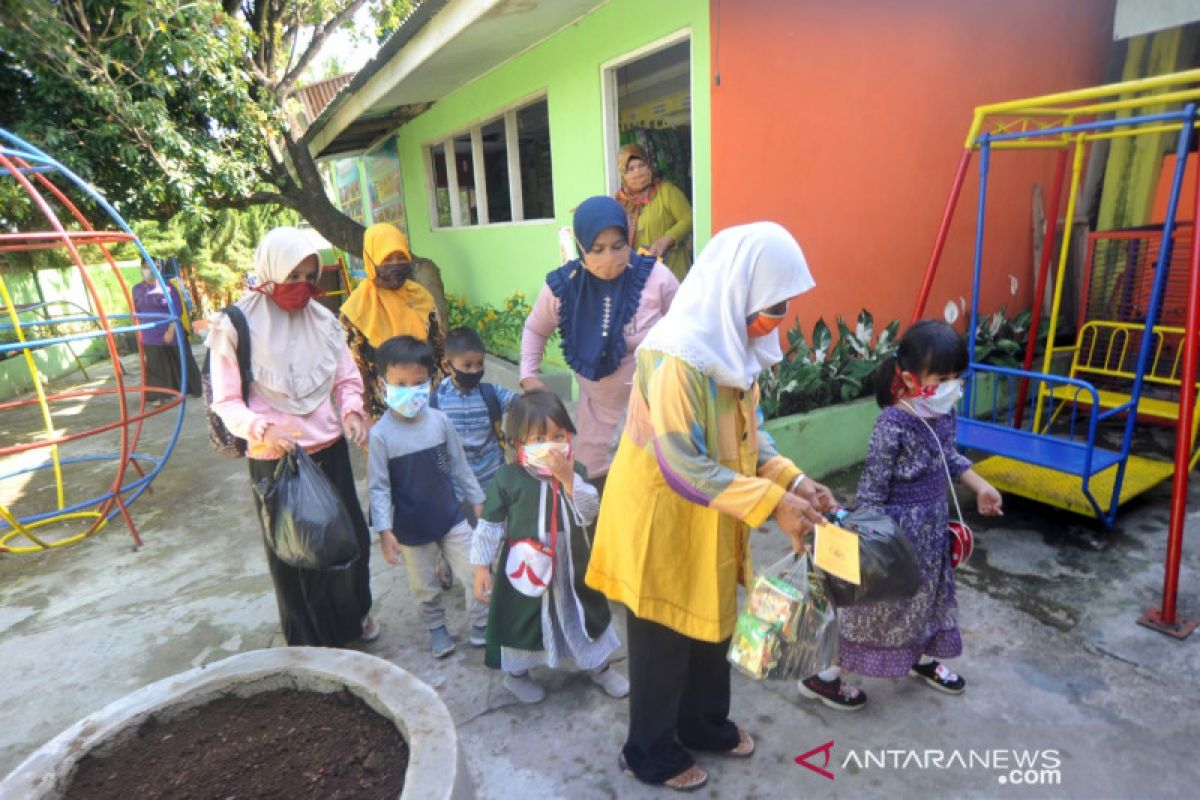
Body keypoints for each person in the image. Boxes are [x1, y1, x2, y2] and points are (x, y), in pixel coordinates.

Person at [584, 222, 837, 791]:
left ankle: (703, 724)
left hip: (715, 511)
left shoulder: (732, 349)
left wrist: (795, 480)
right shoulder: (676, 359)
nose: (778, 317)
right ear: (739, 289)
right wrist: (775, 505)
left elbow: (752, 437)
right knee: (663, 641)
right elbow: (684, 466)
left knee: (712, 625)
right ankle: (648, 752)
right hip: (663, 519)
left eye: (783, 305)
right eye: (773, 304)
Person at [799, 320, 1003, 710]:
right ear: (909, 379)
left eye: (957, 377)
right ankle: (825, 677)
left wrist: (980, 485)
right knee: (872, 609)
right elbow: (872, 492)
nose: (952, 386)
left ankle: (922, 660)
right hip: (893, 540)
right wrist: (866, 549)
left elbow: (950, 457)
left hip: (932, 535)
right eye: (942, 377)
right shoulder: (891, 426)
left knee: (926, 599)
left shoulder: (942, 415)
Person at [207, 227, 375, 647]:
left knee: (348, 541)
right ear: (268, 271)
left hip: (330, 451)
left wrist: (352, 411)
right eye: (291, 276)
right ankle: (308, 644)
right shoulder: (235, 326)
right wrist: (263, 429)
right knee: (294, 555)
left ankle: (354, 623)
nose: (301, 287)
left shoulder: (323, 321)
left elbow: (347, 378)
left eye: (308, 276)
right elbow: (226, 402)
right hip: (274, 461)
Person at [469, 391, 629, 704]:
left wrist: (569, 480)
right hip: (526, 570)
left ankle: (601, 667)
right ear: (519, 444)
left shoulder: (577, 472)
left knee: (587, 614)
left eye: (558, 435)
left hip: (573, 566)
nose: (551, 444)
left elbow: (589, 512)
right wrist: (481, 567)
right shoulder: (507, 479)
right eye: (539, 437)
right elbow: (490, 525)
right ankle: (516, 676)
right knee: (523, 622)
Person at [521, 196, 679, 493]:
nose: (610, 257)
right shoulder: (563, 286)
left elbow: (688, 329)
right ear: (581, 247)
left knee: (652, 495)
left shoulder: (655, 278)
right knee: (598, 496)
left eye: (618, 246)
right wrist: (529, 375)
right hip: (596, 421)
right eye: (598, 250)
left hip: (656, 416)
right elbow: (535, 329)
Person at [368, 335, 488, 659]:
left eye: (418, 383)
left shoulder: (440, 421)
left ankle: (481, 624)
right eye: (400, 383)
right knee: (424, 585)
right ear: (383, 385)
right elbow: (379, 487)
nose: (411, 390)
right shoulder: (380, 436)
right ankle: (437, 628)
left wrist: (477, 499)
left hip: (451, 516)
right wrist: (384, 530)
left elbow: (460, 465)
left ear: (431, 381)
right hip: (411, 527)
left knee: (476, 568)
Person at [341, 222, 443, 419]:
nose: (395, 265)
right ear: (371, 260)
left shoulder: (421, 296)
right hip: (384, 414)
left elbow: (439, 349)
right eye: (386, 259)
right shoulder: (356, 309)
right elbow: (354, 371)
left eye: (401, 258)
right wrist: (364, 417)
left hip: (429, 404)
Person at [434, 326, 518, 524]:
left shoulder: (491, 394)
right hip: (456, 491)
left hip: (493, 484)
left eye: (479, 364)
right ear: (448, 366)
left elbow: (521, 404)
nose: (475, 370)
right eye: (468, 365)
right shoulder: (435, 402)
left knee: (493, 536)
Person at [614, 143, 693, 281]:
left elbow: (689, 219)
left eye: (641, 165)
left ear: (649, 167)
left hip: (672, 273)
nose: (637, 172)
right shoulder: (621, 201)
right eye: (630, 169)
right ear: (623, 174)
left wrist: (666, 240)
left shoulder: (666, 191)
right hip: (641, 277)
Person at [133, 263, 201, 406]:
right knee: (156, 365)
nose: (148, 271)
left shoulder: (169, 287)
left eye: (151, 268)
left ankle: (190, 388)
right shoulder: (137, 289)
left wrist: (171, 329)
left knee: (180, 360)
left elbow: (176, 310)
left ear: (158, 270)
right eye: (145, 268)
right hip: (150, 333)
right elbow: (135, 311)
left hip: (170, 331)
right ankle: (159, 395)